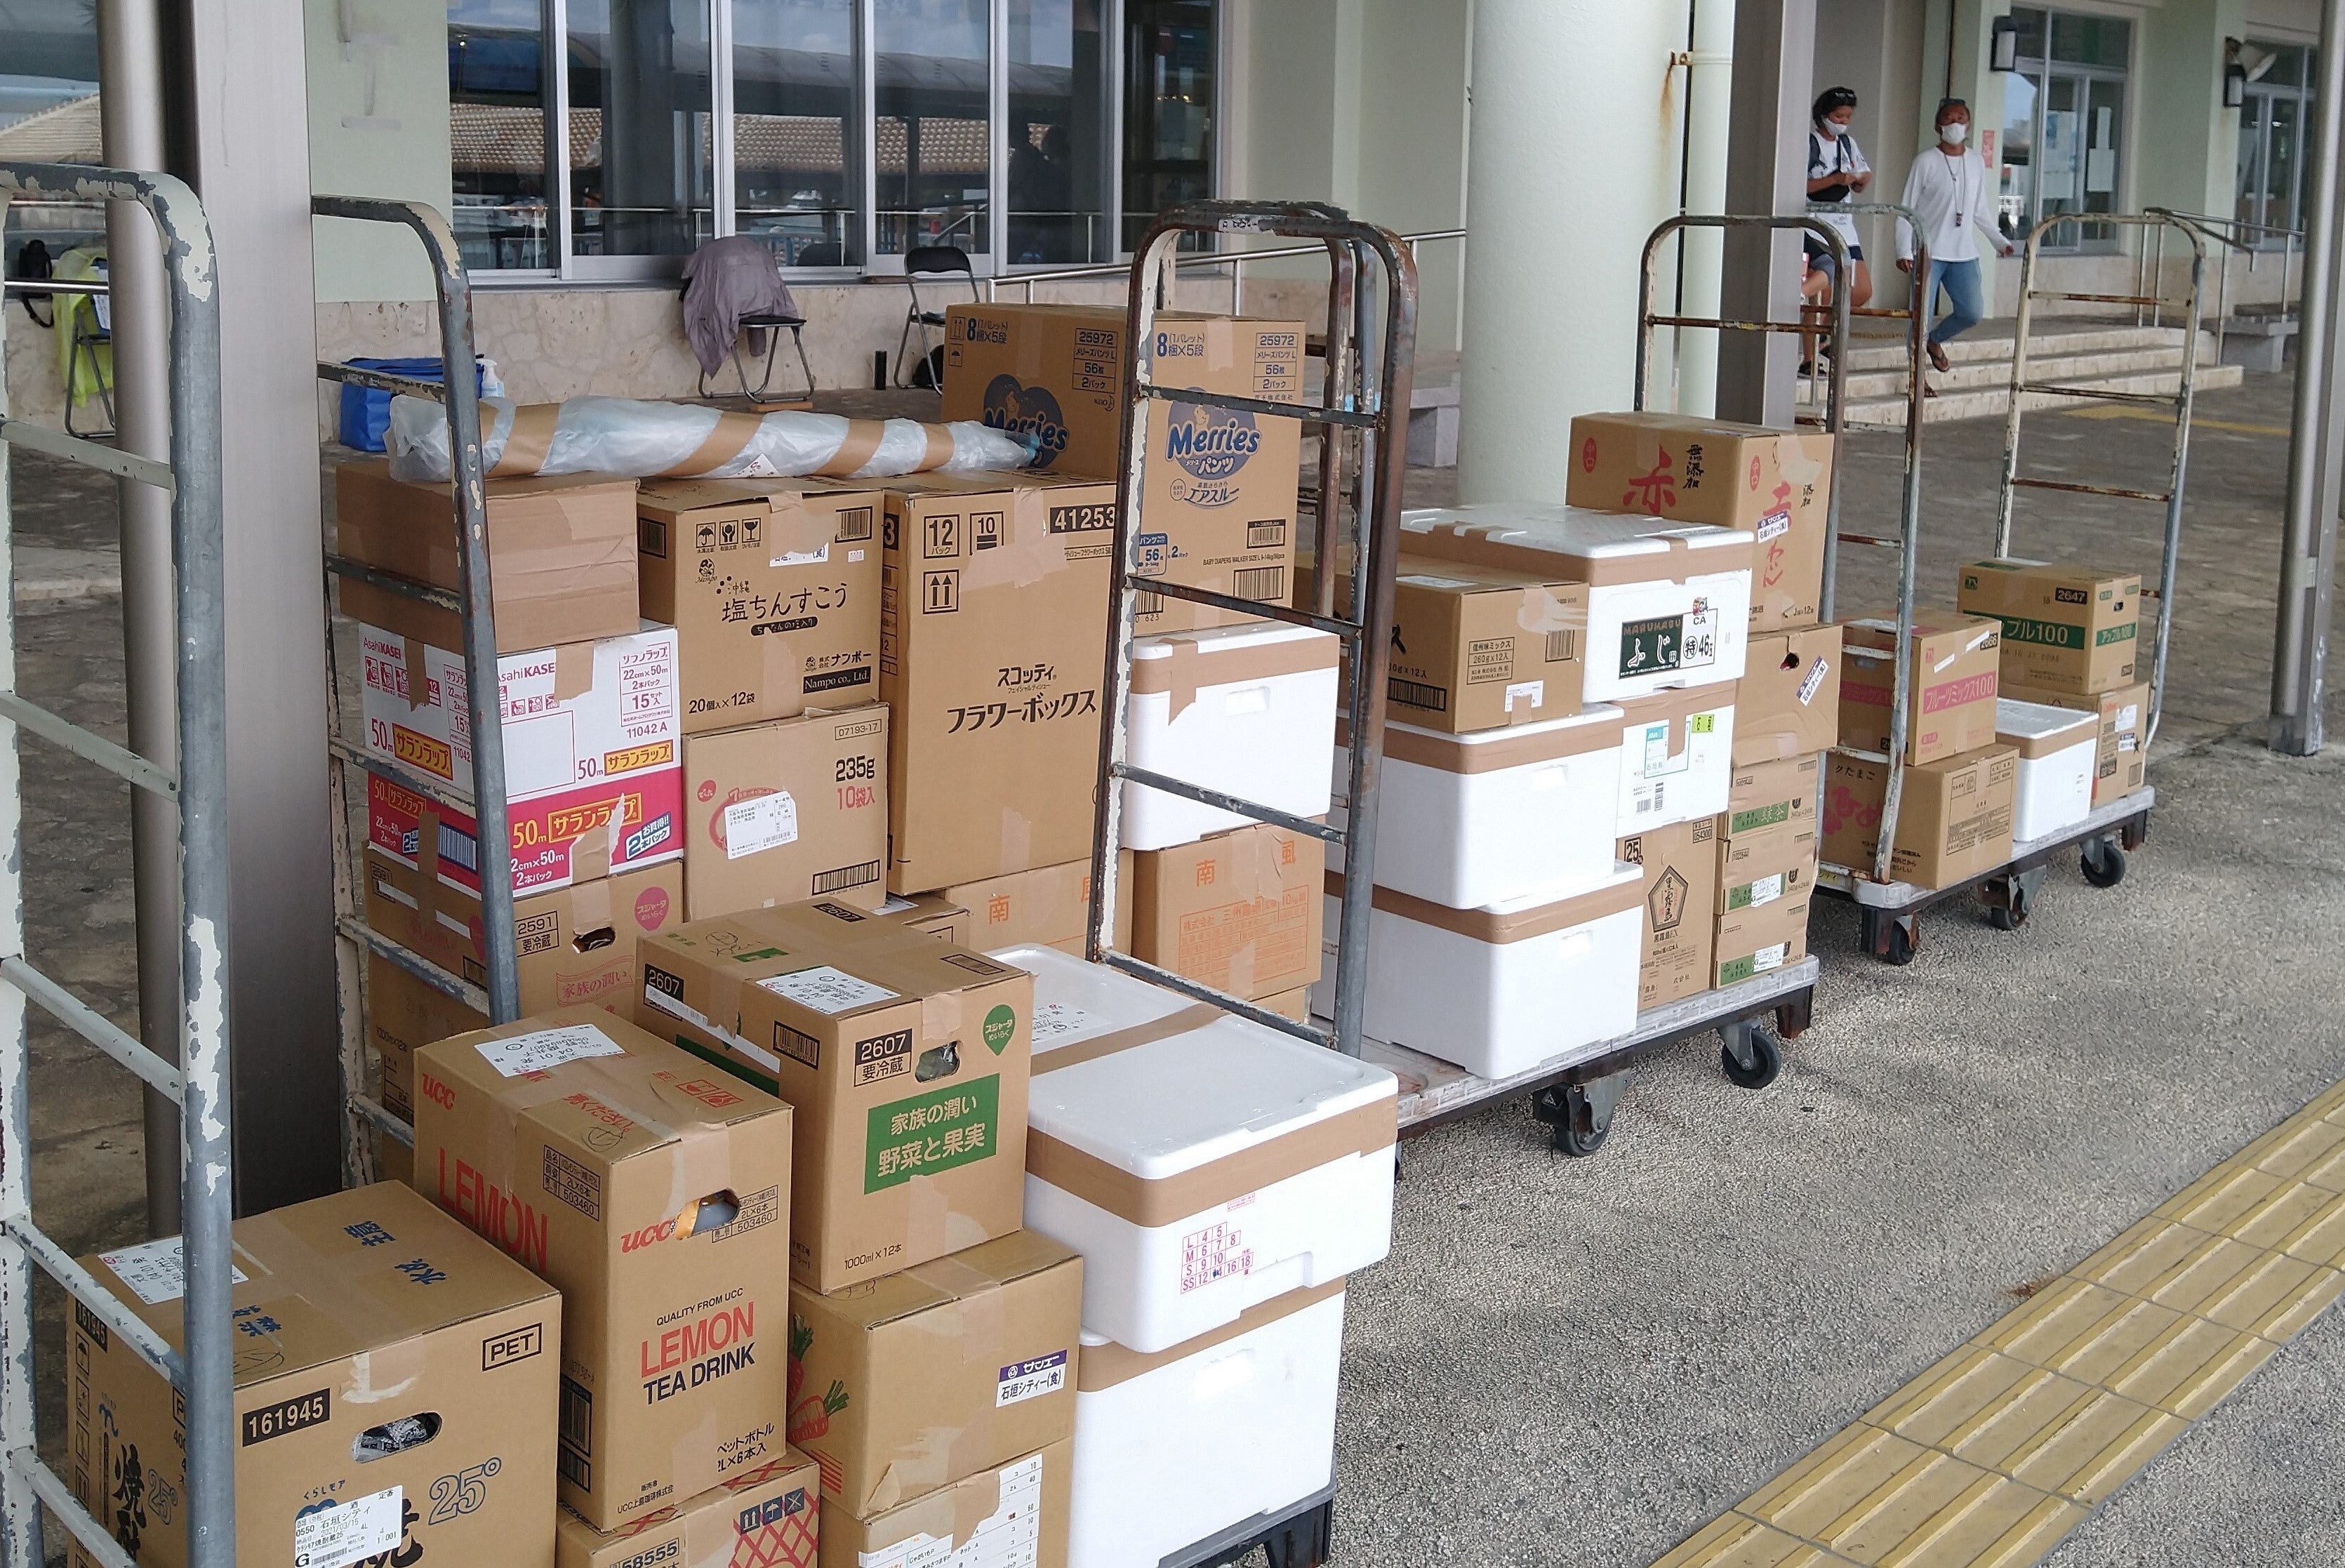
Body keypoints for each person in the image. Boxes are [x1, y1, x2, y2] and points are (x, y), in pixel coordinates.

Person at [1896, 98, 2017, 380]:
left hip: (1963, 253)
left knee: (1971, 312)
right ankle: (1917, 379)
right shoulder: (1926, 161)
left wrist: (1999, 241)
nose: (1955, 124)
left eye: (1961, 118)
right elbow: (1906, 208)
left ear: (1969, 124)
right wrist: (1903, 249)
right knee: (1921, 317)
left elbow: (1980, 209)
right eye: (1949, 118)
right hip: (1928, 252)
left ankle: (1935, 340)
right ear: (1938, 125)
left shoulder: (1975, 161)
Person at [1802, 86, 1873, 368]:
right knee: (1824, 291)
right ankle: (1809, 356)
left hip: (1845, 227)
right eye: (1838, 116)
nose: (1843, 122)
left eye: (1847, 117)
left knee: (1861, 290)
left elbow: (1861, 176)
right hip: (1817, 227)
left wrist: (1860, 180)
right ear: (1823, 115)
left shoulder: (1848, 144)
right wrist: (1834, 180)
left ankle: (1823, 334)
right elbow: (1798, 185)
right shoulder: (1810, 144)